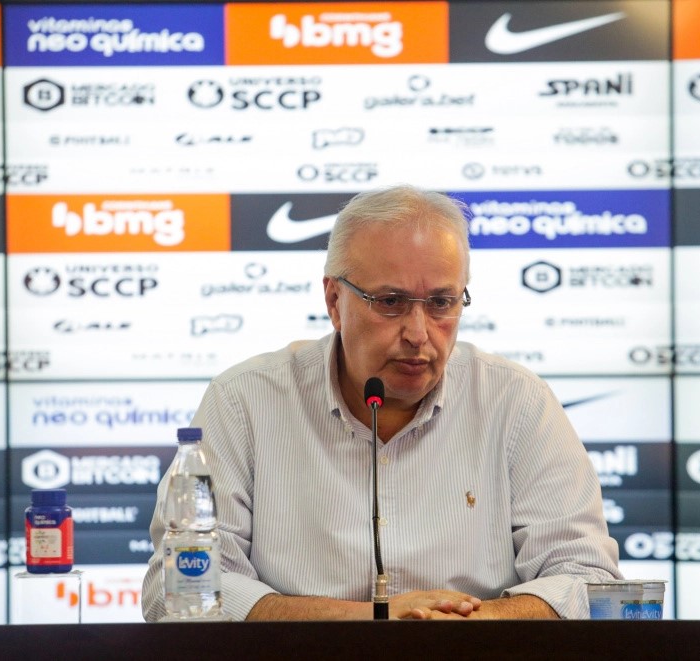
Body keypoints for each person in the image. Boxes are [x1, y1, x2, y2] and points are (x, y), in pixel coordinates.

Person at [142, 184, 621, 621]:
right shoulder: (244, 402)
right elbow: (176, 591)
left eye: (441, 303)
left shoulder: (517, 402)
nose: (418, 334)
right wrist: (372, 618)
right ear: (334, 301)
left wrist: (476, 625)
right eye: (390, 302)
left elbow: (588, 578)